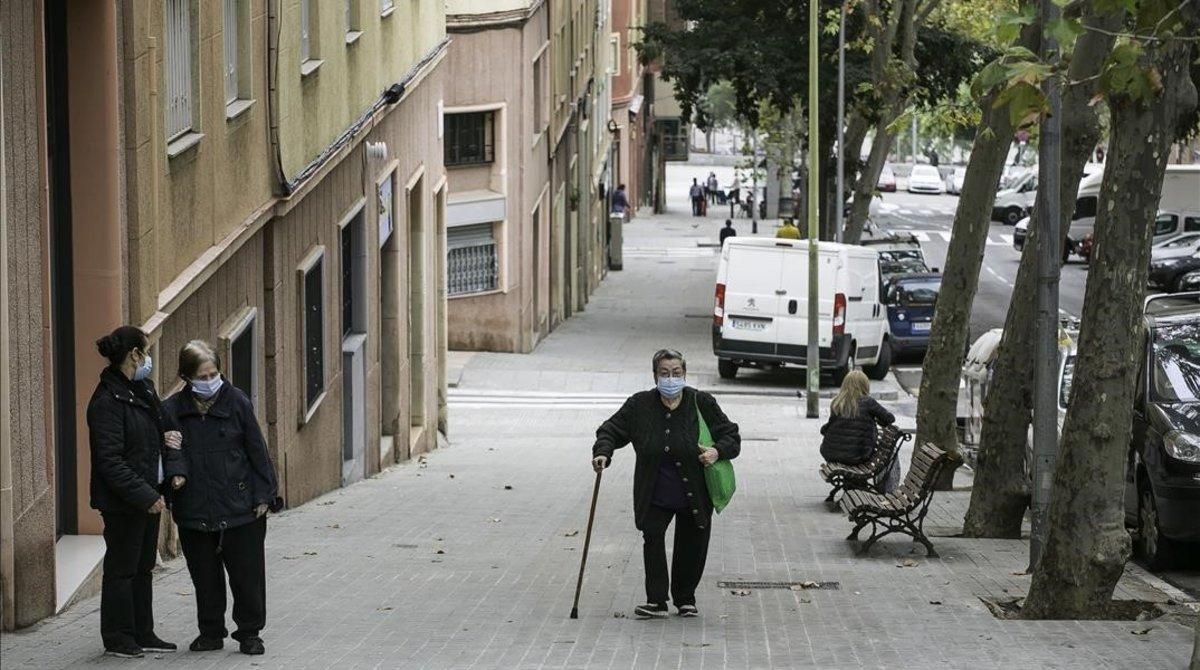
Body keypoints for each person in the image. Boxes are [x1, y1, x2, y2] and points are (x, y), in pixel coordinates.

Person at [592, 349, 741, 619]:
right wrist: (603, 452)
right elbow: (610, 430)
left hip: (693, 492)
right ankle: (657, 600)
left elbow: (731, 434)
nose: (671, 379)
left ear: (684, 374)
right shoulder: (640, 405)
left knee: (692, 543)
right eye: (664, 373)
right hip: (655, 491)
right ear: (655, 376)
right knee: (653, 538)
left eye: (676, 373)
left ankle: (685, 599)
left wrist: (717, 451)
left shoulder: (701, 402)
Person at [163, 340, 282, 656]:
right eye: (202, 376)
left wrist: (265, 496)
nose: (210, 381)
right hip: (195, 508)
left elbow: (258, 451)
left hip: (241, 507)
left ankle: (250, 633)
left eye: (214, 373)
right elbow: (163, 455)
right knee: (205, 577)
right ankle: (211, 632)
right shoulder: (172, 410)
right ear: (187, 378)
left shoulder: (237, 402)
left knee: (247, 577)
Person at [88, 325, 182, 658]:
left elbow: (154, 432)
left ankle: (143, 631)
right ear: (134, 355)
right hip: (125, 503)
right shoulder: (106, 401)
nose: (149, 358)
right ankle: (118, 638)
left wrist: (166, 439)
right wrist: (146, 496)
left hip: (149, 498)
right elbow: (110, 462)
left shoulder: (142, 390)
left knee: (143, 568)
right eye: (146, 350)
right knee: (121, 570)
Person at [819, 370, 897, 487]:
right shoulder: (868, 402)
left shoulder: (838, 402)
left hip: (830, 454)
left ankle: (851, 485)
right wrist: (877, 419)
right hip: (857, 456)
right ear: (865, 385)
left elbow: (828, 427)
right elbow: (890, 419)